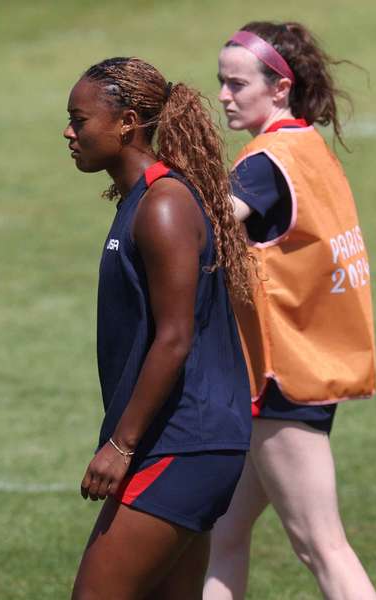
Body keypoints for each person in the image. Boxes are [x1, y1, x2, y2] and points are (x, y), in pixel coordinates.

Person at [64, 57, 254, 599]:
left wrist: (120, 447)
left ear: (127, 123)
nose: (69, 132)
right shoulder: (143, 198)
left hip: (182, 443)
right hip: (186, 441)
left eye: (80, 120)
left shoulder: (163, 205)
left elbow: (175, 337)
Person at [205, 22, 376, 600]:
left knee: (322, 548)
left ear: (279, 87)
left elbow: (200, 236)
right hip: (304, 368)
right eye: (221, 84)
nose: (225, 96)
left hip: (282, 381)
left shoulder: (262, 163)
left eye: (237, 84)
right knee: (221, 535)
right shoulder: (307, 146)